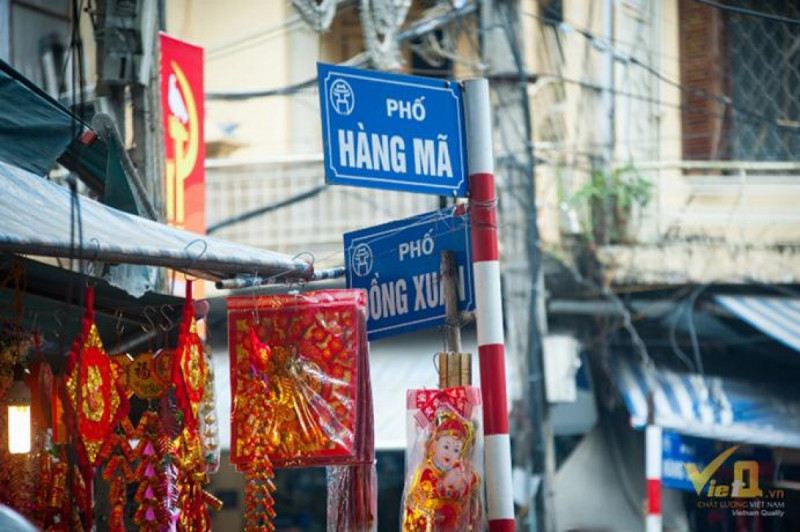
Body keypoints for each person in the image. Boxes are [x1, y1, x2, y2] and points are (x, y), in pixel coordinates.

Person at [402, 409, 481, 531]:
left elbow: (469, 498)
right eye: (446, 446)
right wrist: (445, 484)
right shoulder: (427, 472)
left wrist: (465, 484)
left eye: (456, 450)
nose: (450, 453)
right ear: (434, 445)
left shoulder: (461, 471)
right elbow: (422, 502)